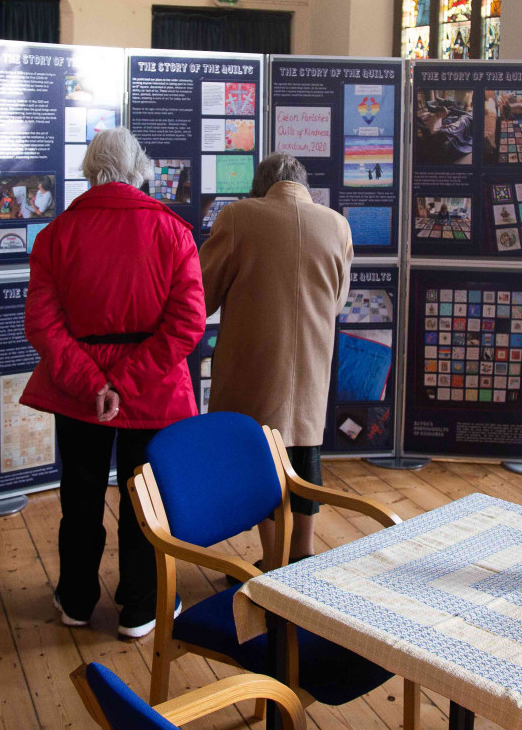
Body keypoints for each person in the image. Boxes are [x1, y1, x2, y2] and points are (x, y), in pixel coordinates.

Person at [21, 126, 205, 639]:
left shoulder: (56, 234)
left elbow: (42, 323)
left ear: (89, 169)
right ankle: (140, 607)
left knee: (79, 497)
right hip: (154, 386)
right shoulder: (173, 231)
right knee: (144, 497)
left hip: (78, 389)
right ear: (137, 168)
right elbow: (188, 323)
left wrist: (94, 383)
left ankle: (77, 600)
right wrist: (124, 383)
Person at [200, 152, 353, 566]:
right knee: (304, 454)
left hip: (254, 364)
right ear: (303, 184)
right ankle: (303, 554)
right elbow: (337, 301)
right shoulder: (337, 224)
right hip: (311, 365)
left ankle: (272, 561)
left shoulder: (239, 217)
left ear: (261, 185)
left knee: (260, 461)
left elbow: (203, 292)